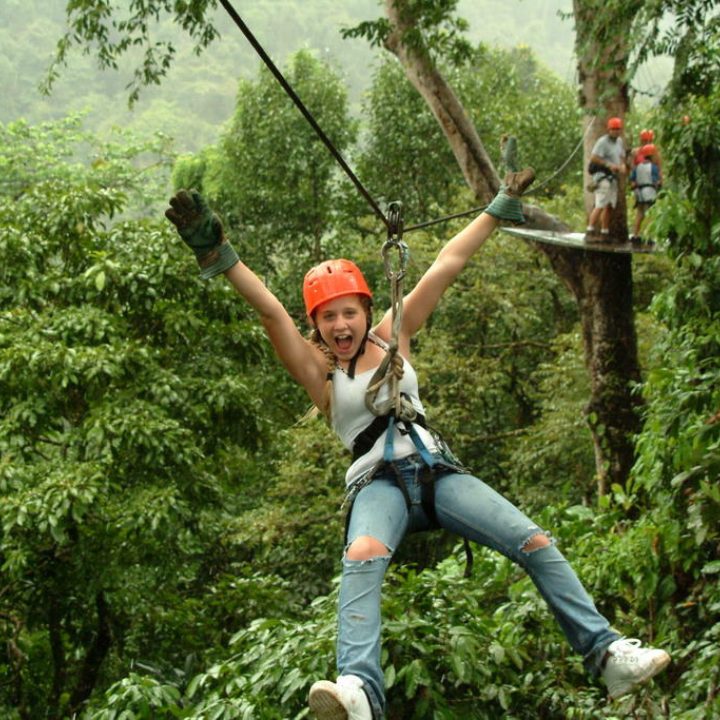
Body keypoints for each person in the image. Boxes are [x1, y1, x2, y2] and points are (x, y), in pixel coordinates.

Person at [165, 172, 671, 720]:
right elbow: (268, 310)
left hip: (437, 472)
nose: (341, 324)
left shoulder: (393, 333)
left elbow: (446, 265)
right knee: (361, 556)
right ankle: (357, 689)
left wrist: (497, 211)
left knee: (533, 540)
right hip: (375, 482)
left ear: (364, 310)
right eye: (328, 316)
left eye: (349, 312)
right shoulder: (320, 375)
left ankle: (607, 654)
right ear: (316, 324)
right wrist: (220, 252)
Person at [585, 117, 628, 241]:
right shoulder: (602, 142)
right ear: (608, 130)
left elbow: (621, 157)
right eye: (613, 129)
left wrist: (622, 166)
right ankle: (590, 230)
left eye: (618, 129)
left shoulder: (619, 142)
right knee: (600, 203)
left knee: (608, 205)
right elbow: (594, 157)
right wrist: (609, 165)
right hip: (603, 176)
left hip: (613, 177)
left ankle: (605, 232)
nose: (615, 131)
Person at [629, 144, 661, 244]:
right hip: (649, 192)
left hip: (639, 192)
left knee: (640, 214)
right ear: (652, 156)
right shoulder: (653, 168)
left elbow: (633, 180)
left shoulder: (637, 167)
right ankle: (649, 237)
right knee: (650, 215)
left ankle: (635, 235)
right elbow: (656, 181)